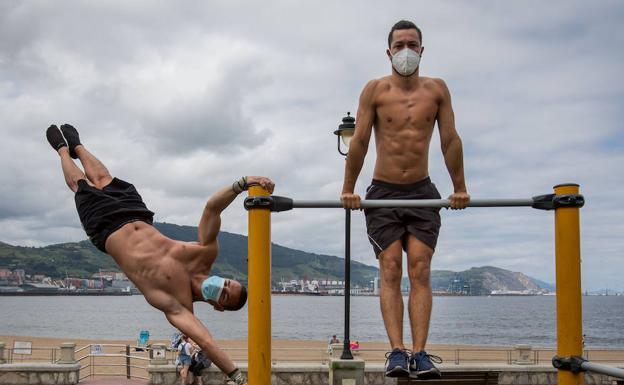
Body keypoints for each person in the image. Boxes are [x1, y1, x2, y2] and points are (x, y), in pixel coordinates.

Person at [46, 123, 275, 385]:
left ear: (219, 307)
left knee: (81, 185)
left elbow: (206, 341)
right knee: (105, 178)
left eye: (224, 294)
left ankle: (63, 150)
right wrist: (244, 183)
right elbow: (212, 209)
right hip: (136, 213)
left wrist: (237, 377)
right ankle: (78, 146)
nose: (221, 287)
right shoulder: (203, 254)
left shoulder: (178, 306)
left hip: (105, 229)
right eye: (226, 283)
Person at [340, 20, 470, 379]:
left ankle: (421, 353)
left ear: (422, 50)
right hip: (383, 193)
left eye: (412, 44)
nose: (406, 51)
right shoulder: (375, 91)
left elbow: (449, 139)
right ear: (389, 52)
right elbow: (360, 141)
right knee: (391, 267)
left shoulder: (437, 90)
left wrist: (459, 187)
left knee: (421, 268)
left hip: (422, 191)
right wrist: (348, 188)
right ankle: (397, 352)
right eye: (399, 45)